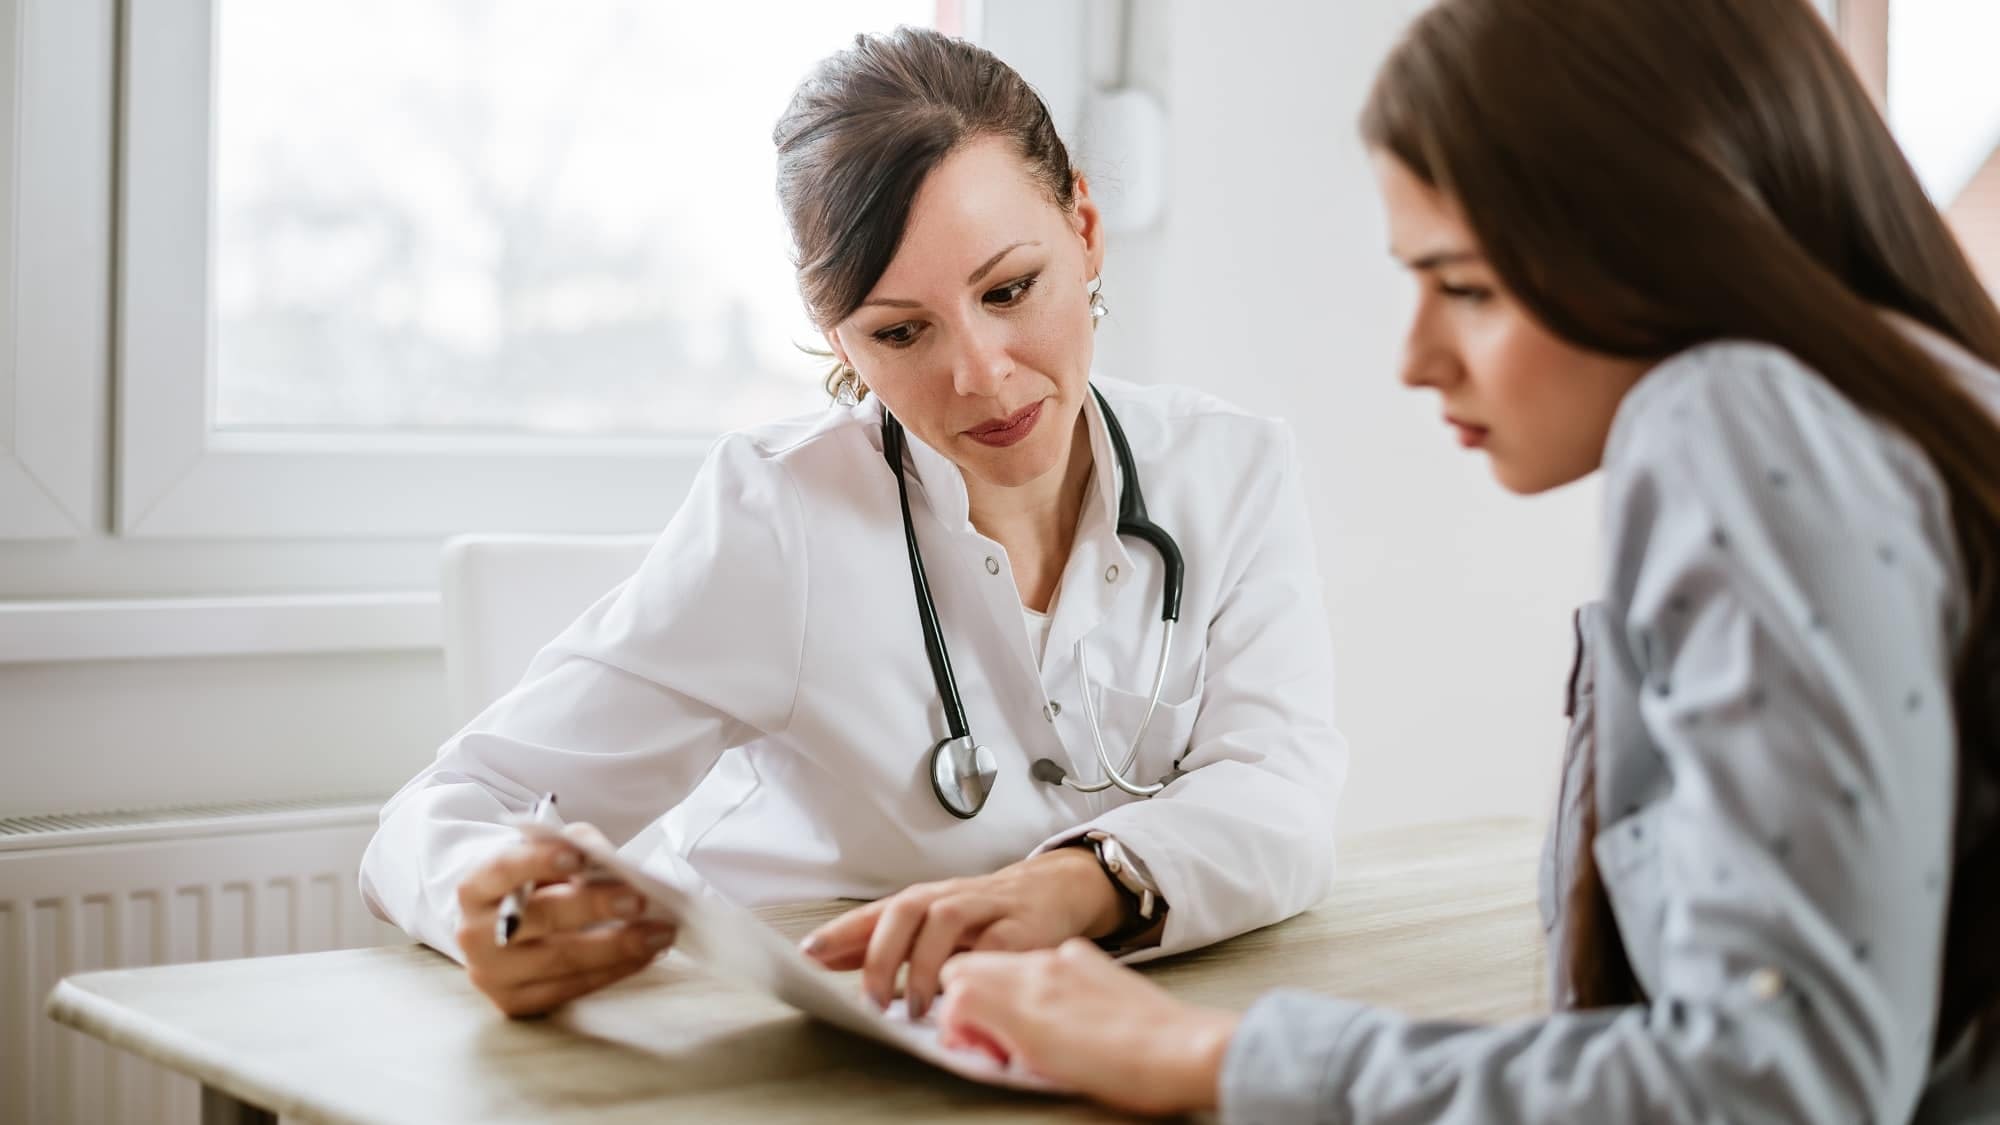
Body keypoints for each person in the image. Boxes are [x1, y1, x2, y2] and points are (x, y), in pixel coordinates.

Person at [924, 1, 2000, 1120]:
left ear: (1671, 233)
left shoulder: (1728, 416)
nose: (1415, 358)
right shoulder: (1923, 407)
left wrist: (1212, 1059)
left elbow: (1771, 1084)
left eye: (1467, 287)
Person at [358, 26, 1347, 1022]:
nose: (981, 373)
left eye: (1009, 289)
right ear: (836, 336)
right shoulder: (778, 517)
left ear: (1083, 227)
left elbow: (1284, 794)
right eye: (898, 331)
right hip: (799, 1045)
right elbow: (447, 809)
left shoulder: (1230, 471)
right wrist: (479, 904)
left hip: (1095, 1040)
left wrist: (1076, 885)